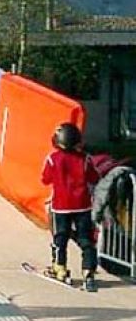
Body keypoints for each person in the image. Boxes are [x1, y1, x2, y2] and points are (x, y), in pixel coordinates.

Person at [41, 123, 101, 292]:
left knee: (60, 237)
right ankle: (88, 271)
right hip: (82, 206)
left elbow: (45, 179)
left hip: (61, 206)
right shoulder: (86, 159)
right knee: (86, 239)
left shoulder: (53, 158)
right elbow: (94, 177)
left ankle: (59, 267)